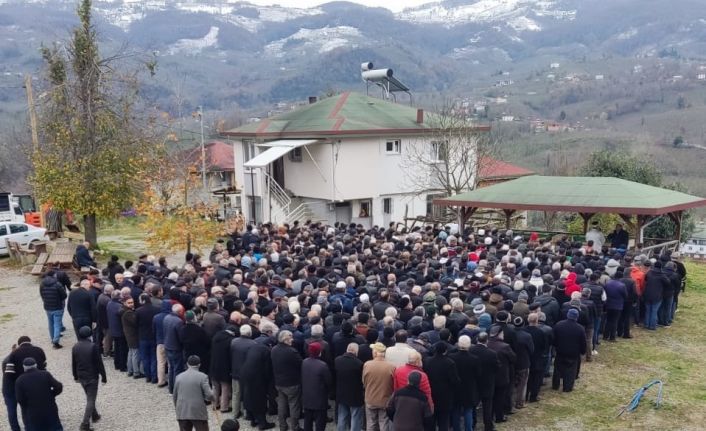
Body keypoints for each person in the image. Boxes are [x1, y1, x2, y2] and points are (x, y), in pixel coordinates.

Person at [72, 326, 107, 431]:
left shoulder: (75, 347)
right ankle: (85, 424)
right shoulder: (93, 346)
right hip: (92, 376)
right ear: (89, 335)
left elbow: (74, 363)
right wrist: (104, 376)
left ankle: (95, 415)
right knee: (91, 399)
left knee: (89, 396)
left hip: (81, 376)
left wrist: (75, 376)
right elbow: (99, 363)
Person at [15, 357, 63, 431]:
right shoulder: (45, 374)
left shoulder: (20, 380)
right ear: (36, 365)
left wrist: (27, 405)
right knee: (54, 427)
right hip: (49, 408)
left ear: (24, 367)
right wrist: (52, 395)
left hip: (33, 411)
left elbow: (20, 399)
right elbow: (59, 386)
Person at [424, 342, 461, 431]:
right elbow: (455, 380)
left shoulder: (427, 361)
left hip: (431, 395)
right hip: (445, 396)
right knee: (444, 421)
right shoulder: (449, 363)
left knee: (431, 421)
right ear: (445, 351)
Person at [271, 330, 303, 431]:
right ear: (286, 339)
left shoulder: (274, 349)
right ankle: (295, 427)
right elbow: (301, 364)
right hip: (292, 383)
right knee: (294, 405)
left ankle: (283, 426)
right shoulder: (291, 351)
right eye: (291, 337)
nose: (292, 339)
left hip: (279, 382)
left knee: (281, 405)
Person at [173, 355, 213, 431]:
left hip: (182, 410)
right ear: (199, 364)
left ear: (187, 364)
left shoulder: (178, 377)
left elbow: (175, 396)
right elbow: (209, 394)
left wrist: (177, 408)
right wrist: (212, 399)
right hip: (197, 411)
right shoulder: (203, 377)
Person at [362, 343, 396, 431]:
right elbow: (393, 384)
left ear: (375, 353)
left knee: (371, 423)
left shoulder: (367, 364)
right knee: (384, 422)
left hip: (370, 399)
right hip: (385, 400)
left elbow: (364, 381)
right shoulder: (391, 367)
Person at [241, 342, 275, 430]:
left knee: (249, 397)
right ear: (270, 345)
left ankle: (253, 420)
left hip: (246, 374)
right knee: (259, 400)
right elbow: (267, 369)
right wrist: (268, 382)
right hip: (257, 378)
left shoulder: (253, 347)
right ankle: (262, 423)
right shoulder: (267, 351)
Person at [449, 335, 479, 431]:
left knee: (456, 410)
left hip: (455, 388)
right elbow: (478, 374)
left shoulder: (451, 357)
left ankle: (456, 429)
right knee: (468, 411)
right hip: (469, 388)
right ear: (469, 345)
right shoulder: (474, 359)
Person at [552, 309, 586, 392]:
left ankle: (555, 385)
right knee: (570, 371)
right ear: (576, 317)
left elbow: (554, 338)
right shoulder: (580, 328)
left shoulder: (559, 325)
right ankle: (567, 387)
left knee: (557, 369)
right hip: (573, 353)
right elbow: (583, 342)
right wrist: (582, 351)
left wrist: (555, 347)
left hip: (560, 351)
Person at [487, 325, 516, 424]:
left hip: (489, 377)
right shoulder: (505, 346)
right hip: (501, 376)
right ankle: (499, 416)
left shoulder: (486, 344)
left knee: (490, 398)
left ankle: (489, 417)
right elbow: (513, 358)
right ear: (499, 334)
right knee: (499, 397)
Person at [301, 342, 332, 431]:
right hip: (320, 398)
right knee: (320, 422)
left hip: (307, 397)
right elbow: (328, 381)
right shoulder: (322, 365)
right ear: (319, 352)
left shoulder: (304, 362)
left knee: (308, 420)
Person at [335, 343, 365, 431]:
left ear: (347, 349)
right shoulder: (359, 363)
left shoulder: (337, 360)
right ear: (356, 351)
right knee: (355, 416)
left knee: (342, 416)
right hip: (355, 394)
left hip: (341, 393)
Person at [230, 324, 257, 417]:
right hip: (247, 373)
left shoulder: (233, 342)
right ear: (250, 333)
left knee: (236, 393)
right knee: (247, 394)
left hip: (235, 371)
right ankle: (247, 413)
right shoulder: (253, 344)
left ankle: (235, 413)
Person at [210, 325, 237, 414]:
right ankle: (224, 407)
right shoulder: (230, 340)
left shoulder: (216, 336)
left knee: (215, 386)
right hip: (224, 367)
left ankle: (214, 404)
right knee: (225, 387)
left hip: (214, 365)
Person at [136, 292, 160, 384]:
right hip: (153, 336)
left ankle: (148, 376)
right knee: (154, 357)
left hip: (143, 336)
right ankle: (154, 377)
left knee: (145, 357)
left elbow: (136, 323)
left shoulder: (138, 311)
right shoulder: (157, 309)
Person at [39, 270, 67, 349]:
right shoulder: (57, 284)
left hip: (47, 307)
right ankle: (56, 342)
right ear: (54, 275)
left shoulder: (42, 284)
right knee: (57, 324)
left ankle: (52, 338)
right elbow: (64, 295)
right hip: (57, 307)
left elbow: (41, 295)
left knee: (50, 323)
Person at [164, 303, 186, 393]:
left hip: (168, 345)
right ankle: (177, 389)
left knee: (171, 368)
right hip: (176, 348)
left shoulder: (166, 318)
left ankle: (171, 388)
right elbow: (181, 337)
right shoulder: (178, 322)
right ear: (180, 311)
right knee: (177, 369)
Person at [121, 295, 142, 378]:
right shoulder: (128, 313)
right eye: (129, 303)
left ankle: (130, 370)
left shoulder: (125, 311)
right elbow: (135, 322)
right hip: (132, 335)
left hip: (129, 335)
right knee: (135, 354)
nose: (131, 304)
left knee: (131, 353)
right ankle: (136, 372)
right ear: (124, 303)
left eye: (132, 302)